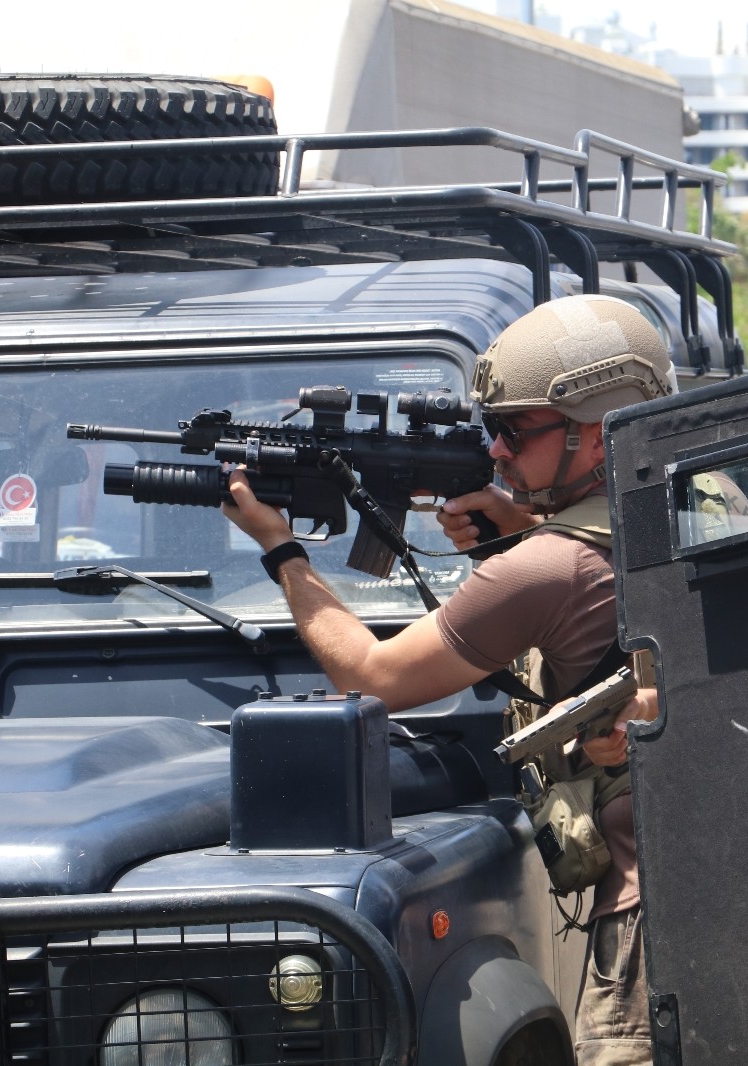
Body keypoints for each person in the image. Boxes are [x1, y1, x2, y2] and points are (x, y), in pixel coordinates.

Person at [222, 293, 673, 1066]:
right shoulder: (701, 501)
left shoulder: (549, 565)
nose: (494, 451)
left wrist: (279, 550)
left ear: (596, 436)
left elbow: (370, 675)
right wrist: (520, 526)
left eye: (511, 430)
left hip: (649, 921)